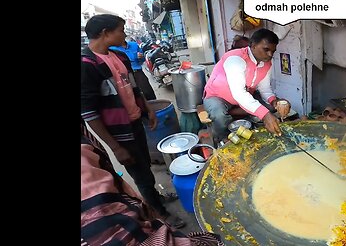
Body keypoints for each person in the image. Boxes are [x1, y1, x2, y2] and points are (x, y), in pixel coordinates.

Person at [81, 14, 185, 228]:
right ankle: (159, 212)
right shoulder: (87, 65)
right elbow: (89, 112)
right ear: (105, 33)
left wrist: (148, 110)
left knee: (145, 165)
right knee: (140, 173)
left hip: (135, 123)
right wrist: (115, 147)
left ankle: (154, 198)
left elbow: (134, 87)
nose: (124, 34)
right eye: (120, 30)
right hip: (119, 133)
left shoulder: (119, 56)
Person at [81, 124, 224, 245]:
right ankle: (161, 211)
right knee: (143, 179)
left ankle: (156, 203)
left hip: (130, 129)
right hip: (119, 139)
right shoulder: (92, 197)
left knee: (146, 175)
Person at [203, 28, 291, 144]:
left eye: (273, 51)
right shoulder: (236, 60)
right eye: (266, 49)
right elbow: (239, 94)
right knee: (219, 114)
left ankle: (244, 120)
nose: (270, 54)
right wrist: (265, 115)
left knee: (269, 108)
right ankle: (223, 140)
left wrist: (274, 101)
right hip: (218, 97)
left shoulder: (266, 63)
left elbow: (264, 89)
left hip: (243, 96)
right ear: (253, 45)